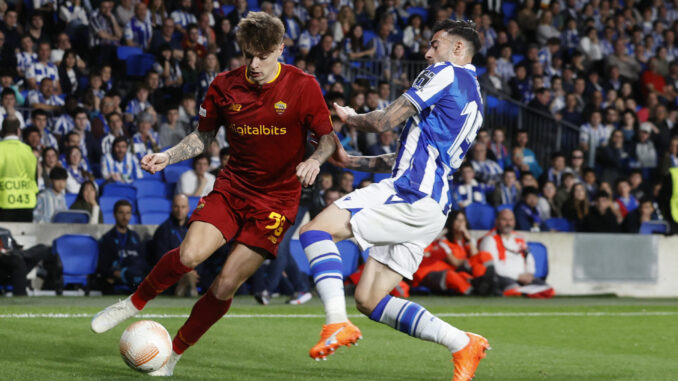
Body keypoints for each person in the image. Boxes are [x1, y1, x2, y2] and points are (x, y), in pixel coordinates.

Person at [90, 12, 336, 377]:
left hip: (276, 201)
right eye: (247, 54)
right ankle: (133, 302)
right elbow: (203, 136)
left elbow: (328, 139)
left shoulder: (303, 86)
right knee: (189, 254)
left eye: (263, 55)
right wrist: (167, 155)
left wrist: (315, 159)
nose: (253, 64)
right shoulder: (224, 85)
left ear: (281, 49)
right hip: (233, 187)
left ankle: (172, 354)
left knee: (223, 285)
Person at [298, 19, 489, 380]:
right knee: (370, 299)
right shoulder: (475, 97)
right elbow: (408, 156)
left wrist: (351, 117)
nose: (427, 52)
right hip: (431, 206)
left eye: (435, 44)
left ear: (458, 49)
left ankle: (336, 323)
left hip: (409, 194)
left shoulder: (446, 72)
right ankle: (462, 342)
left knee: (314, 232)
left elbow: (386, 121)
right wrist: (352, 161)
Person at [413, 211, 495, 296]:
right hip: (448, 271)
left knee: (483, 258)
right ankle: (476, 292)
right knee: (452, 275)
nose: (461, 223)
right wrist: (471, 262)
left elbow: (476, 256)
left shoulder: (467, 240)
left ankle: (486, 281)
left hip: (462, 270)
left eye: (463, 220)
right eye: (457, 220)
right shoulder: (443, 241)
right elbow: (455, 262)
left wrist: (468, 239)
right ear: (451, 222)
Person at [478, 209, 553, 297]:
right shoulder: (489, 239)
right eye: (504, 220)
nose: (508, 223)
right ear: (497, 221)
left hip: (524, 278)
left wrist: (529, 274)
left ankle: (527, 292)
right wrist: (518, 277)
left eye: (511, 220)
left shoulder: (519, 238)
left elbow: (529, 259)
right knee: (514, 290)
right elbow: (493, 267)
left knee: (548, 290)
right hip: (502, 277)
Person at [151, 194, 199, 297]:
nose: (179, 210)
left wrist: (193, 271)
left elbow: (203, 252)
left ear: (188, 208)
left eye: (183, 207)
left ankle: (187, 286)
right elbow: (161, 258)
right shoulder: (163, 230)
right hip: (173, 273)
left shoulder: (195, 228)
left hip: (195, 272)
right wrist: (182, 272)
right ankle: (188, 288)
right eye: (176, 206)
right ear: (172, 207)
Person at [96, 200, 147, 294]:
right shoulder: (107, 239)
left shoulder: (135, 237)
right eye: (121, 213)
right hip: (116, 283)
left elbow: (142, 262)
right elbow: (102, 267)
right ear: (114, 215)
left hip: (136, 281)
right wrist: (114, 274)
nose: (125, 217)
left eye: (128, 213)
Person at [0, 118, 39, 222]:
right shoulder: (28, 151)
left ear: (2, 132)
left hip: (3, 204)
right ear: (18, 131)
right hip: (26, 203)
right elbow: (34, 178)